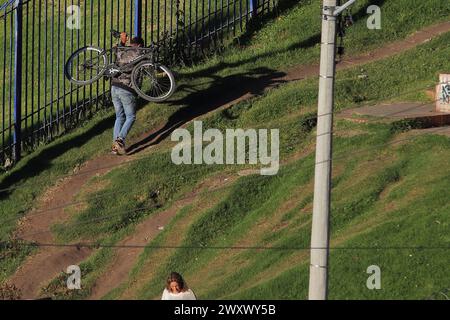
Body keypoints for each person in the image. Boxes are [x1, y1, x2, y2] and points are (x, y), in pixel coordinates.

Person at [111, 32, 145, 155]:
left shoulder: (123, 52)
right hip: (127, 88)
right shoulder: (139, 53)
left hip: (114, 87)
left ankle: (115, 147)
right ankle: (120, 140)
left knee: (119, 117)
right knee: (131, 116)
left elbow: (117, 50)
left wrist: (122, 42)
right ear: (140, 45)